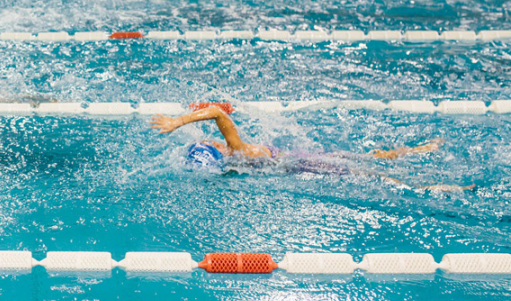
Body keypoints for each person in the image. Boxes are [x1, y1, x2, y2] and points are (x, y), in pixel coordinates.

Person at [149, 104, 473, 193]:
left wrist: (178, 122)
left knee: (370, 161)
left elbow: (218, 114)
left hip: (303, 160)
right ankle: (432, 184)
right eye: (208, 141)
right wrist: (178, 122)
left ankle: (419, 151)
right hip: (307, 164)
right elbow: (219, 112)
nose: (212, 138)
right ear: (215, 150)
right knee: (371, 172)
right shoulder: (238, 152)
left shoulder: (236, 160)